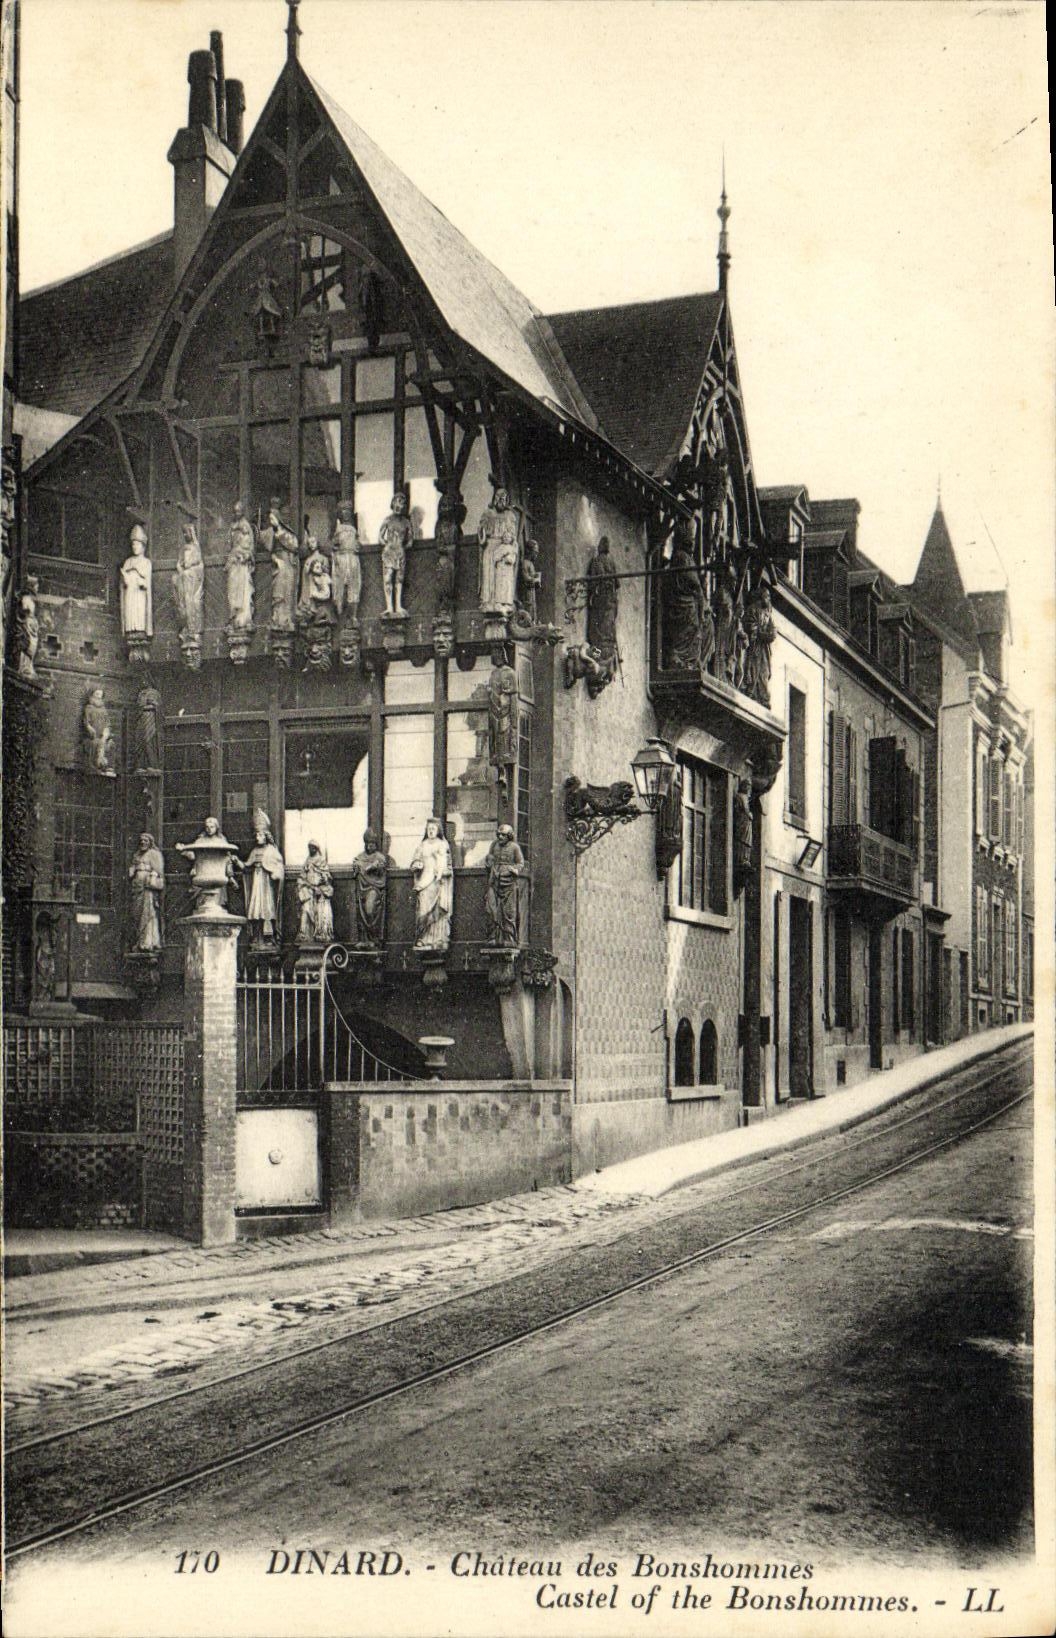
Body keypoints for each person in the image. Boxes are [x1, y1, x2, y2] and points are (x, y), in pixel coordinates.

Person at [237, 819, 285, 944]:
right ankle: (257, 936)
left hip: (267, 883)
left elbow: (279, 865)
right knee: (256, 908)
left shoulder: (271, 851)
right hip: (257, 881)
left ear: (266, 836)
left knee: (267, 907)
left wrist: (275, 873)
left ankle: (269, 937)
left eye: (260, 835)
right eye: (257, 835)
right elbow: (246, 866)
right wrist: (237, 861)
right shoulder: (254, 851)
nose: (258, 837)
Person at [410, 817, 453, 952]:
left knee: (437, 910)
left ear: (438, 830)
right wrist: (416, 865)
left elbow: (448, 865)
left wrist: (442, 873)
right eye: (429, 829)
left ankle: (438, 938)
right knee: (423, 909)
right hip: (424, 882)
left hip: (437, 881)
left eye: (433, 829)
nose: (431, 832)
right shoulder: (422, 845)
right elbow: (415, 862)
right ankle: (423, 938)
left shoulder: (442, 844)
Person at [484, 823, 528, 947]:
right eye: (498, 834)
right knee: (491, 910)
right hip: (494, 880)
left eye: (503, 835)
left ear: (509, 836)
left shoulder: (514, 847)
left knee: (509, 912)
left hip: (508, 882)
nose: (500, 837)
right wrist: (488, 862)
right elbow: (490, 858)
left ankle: (509, 938)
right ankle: (492, 937)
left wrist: (515, 870)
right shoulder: (494, 845)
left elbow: (520, 863)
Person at [478, 487, 520, 612]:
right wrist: (482, 534)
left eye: (504, 498)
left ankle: (502, 602)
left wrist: (510, 548)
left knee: (502, 578)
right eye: (498, 497)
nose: (501, 500)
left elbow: (513, 537)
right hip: (490, 546)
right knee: (488, 574)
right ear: (494, 498)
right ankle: (487, 601)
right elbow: (481, 533)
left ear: (507, 500)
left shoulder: (510, 516)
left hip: (503, 548)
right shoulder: (487, 513)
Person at [264, 500, 300, 629]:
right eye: (284, 515)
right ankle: (277, 618)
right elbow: (267, 546)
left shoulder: (286, 531)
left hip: (288, 564)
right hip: (278, 565)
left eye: (288, 515)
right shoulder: (271, 531)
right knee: (278, 592)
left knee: (287, 592)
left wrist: (279, 529)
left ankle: (286, 619)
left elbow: (294, 545)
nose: (287, 517)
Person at [350, 829, 389, 947]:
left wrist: (375, 867)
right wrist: (358, 867)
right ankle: (365, 939)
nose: (370, 846)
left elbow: (382, 872)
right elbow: (356, 868)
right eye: (368, 843)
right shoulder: (360, 857)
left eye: (373, 843)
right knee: (360, 914)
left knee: (369, 909)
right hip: (361, 889)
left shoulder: (380, 857)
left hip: (374, 888)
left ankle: (373, 937)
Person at [128, 833, 165, 952]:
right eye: (141, 841)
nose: (143, 842)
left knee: (148, 914)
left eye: (146, 841)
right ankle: (139, 941)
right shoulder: (137, 855)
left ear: (150, 843)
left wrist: (153, 875)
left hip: (147, 888)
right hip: (137, 887)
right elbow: (133, 869)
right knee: (137, 914)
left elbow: (158, 870)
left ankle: (148, 942)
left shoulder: (154, 854)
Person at [379, 491, 413, 616]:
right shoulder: (387, 520)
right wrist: (387, 544)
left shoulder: (406, 522)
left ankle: (398, 606)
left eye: (403, 503)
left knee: (399, 579)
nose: (400, 506)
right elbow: (380, 537)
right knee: (388, 578)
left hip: (400, 552)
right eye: (398, 502)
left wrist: (403, 545)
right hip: (389, 553)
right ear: (393, 503)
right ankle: (389, 606)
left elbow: (410, 540)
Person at [585, 535, 618, 658]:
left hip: (601, 597)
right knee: (608, 625)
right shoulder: (612, 562)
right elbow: (617, 583)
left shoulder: (597, 560)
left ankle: (599, 653)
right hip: (612, 599)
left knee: (597, 626)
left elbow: (595, 580)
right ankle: (605, 651)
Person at [296, 842, 334, 945]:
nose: (310, 850)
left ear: (316, 848)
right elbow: (302, 877)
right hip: (308, 891)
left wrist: (323, 879)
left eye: (312, 848)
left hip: (320, 891)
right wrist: (304, 885)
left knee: (322, 910)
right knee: (305, 909)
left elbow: (327, 876)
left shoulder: (321, 861)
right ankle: (304, 933)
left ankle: (321, 933)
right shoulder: (307, 861)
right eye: (309, 848)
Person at [225, 501, 256, 630]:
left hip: (242, 565)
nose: (237, 513)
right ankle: (234, 615)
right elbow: (229, 545)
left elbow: (250, 547)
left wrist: (245, 556)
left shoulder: (246, 527)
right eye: (235, 511)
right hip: (234, 563)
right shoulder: (233, 527)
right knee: (233, 591)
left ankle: (243, 617)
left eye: (239, 511)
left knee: (243, 591)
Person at [330, 502, 362, 621]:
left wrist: (357, 545)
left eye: (348, 510)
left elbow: (357, 543)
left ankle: (352, 615)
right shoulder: (339, 529)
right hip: (342, 558)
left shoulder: (353, 529)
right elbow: (334, 544)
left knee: (354, 587)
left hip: (353, 558)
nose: (346, 513)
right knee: (340, 586)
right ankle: (340, 611)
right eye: (344, 510)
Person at [121, 525, 153, 636]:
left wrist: (142, 583)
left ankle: (141, 629)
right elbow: (123, 583)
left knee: (139, 615)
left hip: (139, 595)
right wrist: (125, 579)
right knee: (130, 614)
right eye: (133, 544)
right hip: (130, 594)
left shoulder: (146, 562)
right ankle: (129, 629)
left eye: (137, 544)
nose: (134, 547)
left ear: (143, 546)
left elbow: (147, 582)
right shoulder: (128, 562)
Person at [171, 525, 204, 637]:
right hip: (184, 583)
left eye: (187, 532)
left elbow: (199, 564)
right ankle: (186, 626)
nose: (185, 535)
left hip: (192, 582)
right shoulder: (183, 549)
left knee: (193, 603)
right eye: (184, 533)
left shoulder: (196, 548)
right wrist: (181, 570)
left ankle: (193, 627)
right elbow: (179, 563)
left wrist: (191, 568)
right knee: (183, 603)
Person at [82, 686, 116, 775]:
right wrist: (90, 728)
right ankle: (95, 767)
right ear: (92, 695)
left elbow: (107, 723)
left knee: (110, 744)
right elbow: (86, 722)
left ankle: (107, 766)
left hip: (102, 736)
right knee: (95, 744)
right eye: (97, 694)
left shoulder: (103, 710)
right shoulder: (88, 708)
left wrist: (106, 732)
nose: (99, 696)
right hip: (93, 736)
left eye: (100, 694)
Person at [134, 685, 163, 772]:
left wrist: (153, 704)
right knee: (140, 740)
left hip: (151, 718)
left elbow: (158, 706)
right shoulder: (141, 693)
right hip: (142, 718)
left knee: (149, 740)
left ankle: (152, 764)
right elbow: (138, 706)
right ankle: (141, 764)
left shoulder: (155, 693)